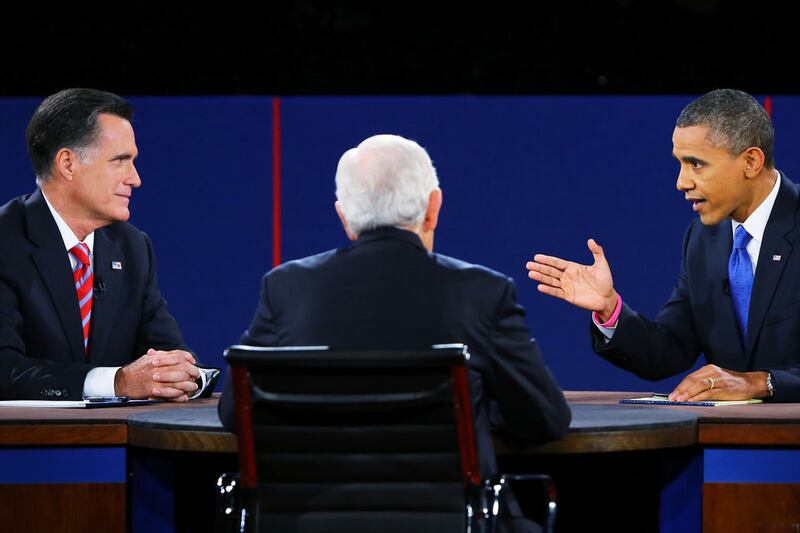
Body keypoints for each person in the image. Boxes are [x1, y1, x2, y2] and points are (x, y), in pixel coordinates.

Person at [219, 133, 570, 530]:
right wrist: (473, 408)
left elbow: (234, 412)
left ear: (345, 218)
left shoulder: (286, 288)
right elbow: (546, 420)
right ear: (433, 208)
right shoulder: (481, 292)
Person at [527, 88, 800, 403]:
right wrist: (610, 308)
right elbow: (668, 351)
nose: (682, 182)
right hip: (733, 433)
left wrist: (761, 383)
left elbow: (753, 381)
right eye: (680, 164)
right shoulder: (703, 239)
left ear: (751, 161)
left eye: (696, 164)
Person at [0, 88, 215, 401]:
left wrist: (185, 375)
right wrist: (116, 383)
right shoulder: (6, 241)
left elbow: (166, 351)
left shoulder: (132, 247)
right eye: (120, 161)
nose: (135, 178)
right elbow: (5, 370)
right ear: (68, 163)